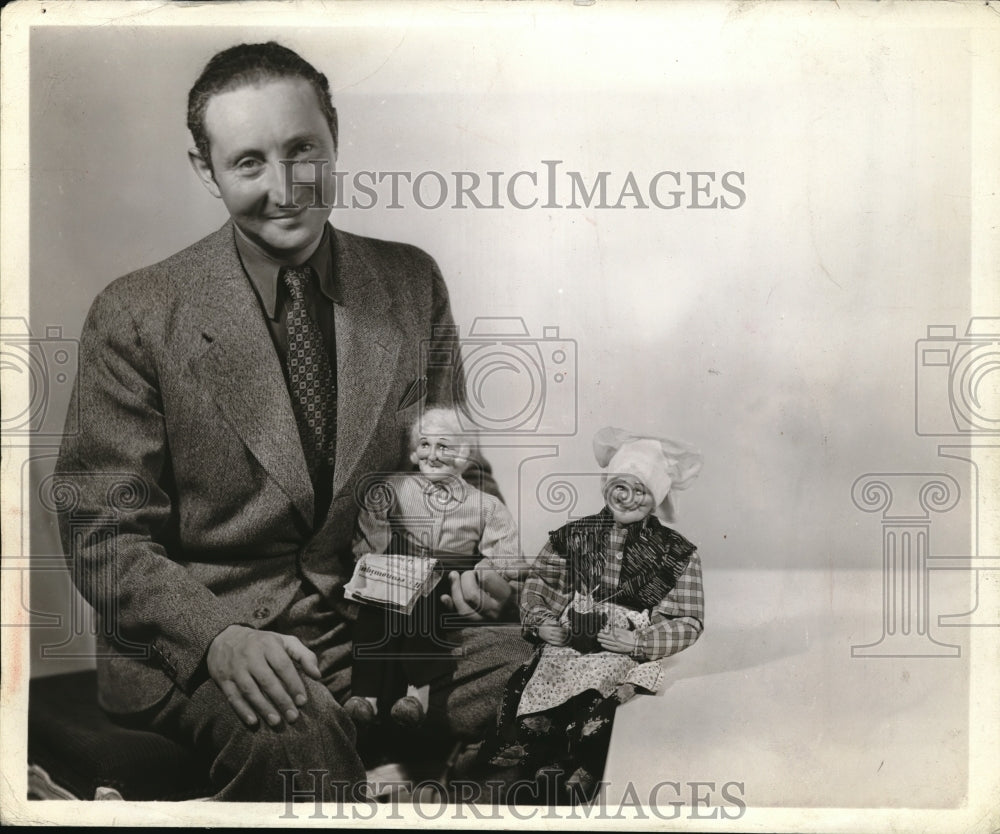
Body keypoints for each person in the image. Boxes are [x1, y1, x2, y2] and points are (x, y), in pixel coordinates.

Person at [53, 41, 528, 802]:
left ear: (334, 141)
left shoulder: (410, 282)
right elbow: (102, 533)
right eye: (248, 163)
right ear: (206, 170)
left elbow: (457, 478)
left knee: (560, 678)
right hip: (212, 640)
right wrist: (216, 640)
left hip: (386, 628)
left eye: (302, 149)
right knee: (298, 738)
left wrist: (478, 573)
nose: (284, 189)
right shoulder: (135, 314)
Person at [473, 426, 705, 804]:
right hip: (569, 648)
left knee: (596, 718)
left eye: (641, 490)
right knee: (523, 692)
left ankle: (570, 781)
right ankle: (512, 773)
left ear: (657, 496)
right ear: (606, 486)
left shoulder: (676, 552)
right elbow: (541, 584)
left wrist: (640, 641)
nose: (627, 498)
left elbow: (689, 619)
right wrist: (541, 621)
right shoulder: (573, 536)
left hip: (623, 653)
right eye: (620, 486)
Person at [345, 407, 527, 729]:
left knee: (425, 607)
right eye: (425, 445)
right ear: (414, 452)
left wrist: (483, 574)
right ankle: (365, 697)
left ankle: (418, 696)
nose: (433, 455)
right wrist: (372, 556)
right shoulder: (394, 487)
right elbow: (371, 518)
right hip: (398, 564)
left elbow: (506, 553)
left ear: (464, 454)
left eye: (444, 447)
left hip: (447, 573)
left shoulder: (485, 504)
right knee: (375, 610)